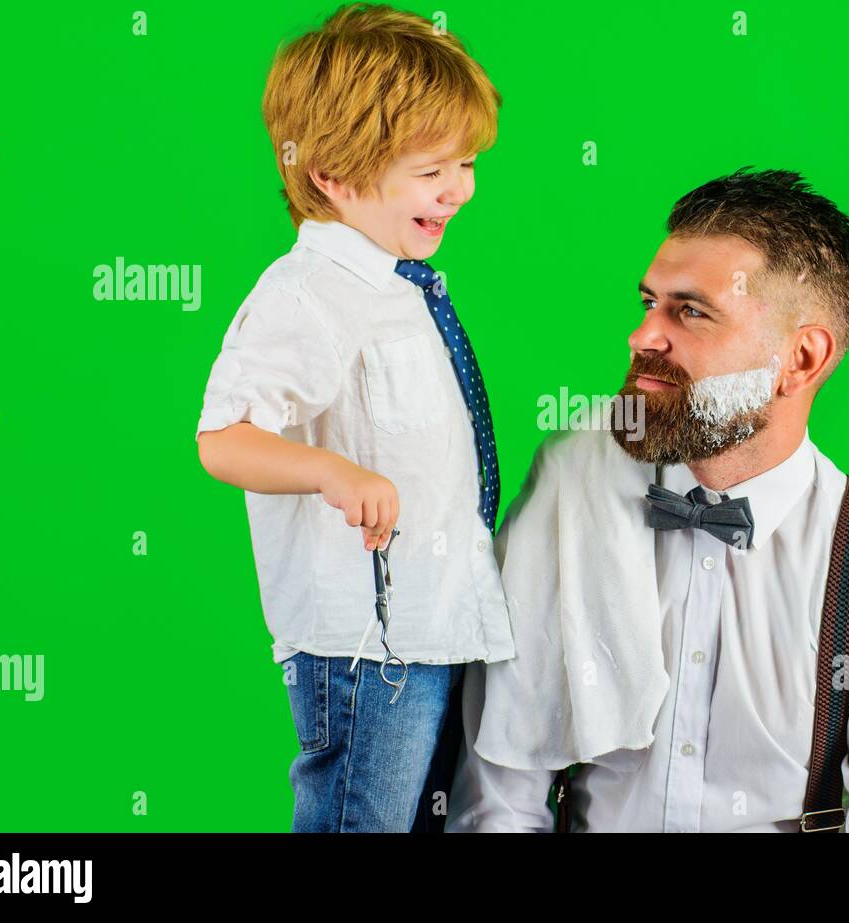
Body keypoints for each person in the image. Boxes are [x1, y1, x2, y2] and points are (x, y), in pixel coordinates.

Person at [447, 168, 849, 832]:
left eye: (690, 311)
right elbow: (497, 798)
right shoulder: (572, 486)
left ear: (801, 359)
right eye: (649, 302)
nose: (644, 336)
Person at [194, 3, 513, 832]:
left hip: (431, 627)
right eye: (432, 169)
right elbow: (223, 437)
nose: (460, 189)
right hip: (367, 650)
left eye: (468, 163)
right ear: (332, 171)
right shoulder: (309, 294)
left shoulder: (396, 286)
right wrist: (331, 471)